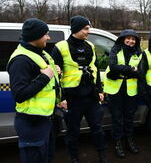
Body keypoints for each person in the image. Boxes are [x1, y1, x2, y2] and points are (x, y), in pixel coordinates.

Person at [51, 16, 107, 163]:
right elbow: (55, 76)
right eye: (86, 28)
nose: (89, 31)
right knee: (73, 132)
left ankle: (102, 156)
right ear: (77, 29)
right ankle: (74, 158)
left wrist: (100, 90)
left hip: (91, 97)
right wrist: (60, 98)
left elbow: (95, 69)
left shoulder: (90, 46)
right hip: (72, 98)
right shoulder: (60, 47)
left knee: (98, 130)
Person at [7, 18, 62, 163]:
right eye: (46, 34)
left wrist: (56, 72)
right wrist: (45, 77)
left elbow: (48, 79)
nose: (49, 38)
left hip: (45, 119)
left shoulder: (40, 53)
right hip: (32, 123)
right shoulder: (21, 60)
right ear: (35, 36)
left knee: (47, 158)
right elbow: (19, 94)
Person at [103, 29, 141, 158]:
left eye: (133, 39)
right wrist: (131, 69)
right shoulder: (116, 50)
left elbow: (140, 71)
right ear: (123, 39)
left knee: (129, 117)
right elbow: (113, 66)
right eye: (128, 38)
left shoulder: (138, 53)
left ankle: (129, 141)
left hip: (130, 90)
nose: (131, 41)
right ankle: (118, 143)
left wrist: (123, 69)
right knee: (117, 118)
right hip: (115, 90)